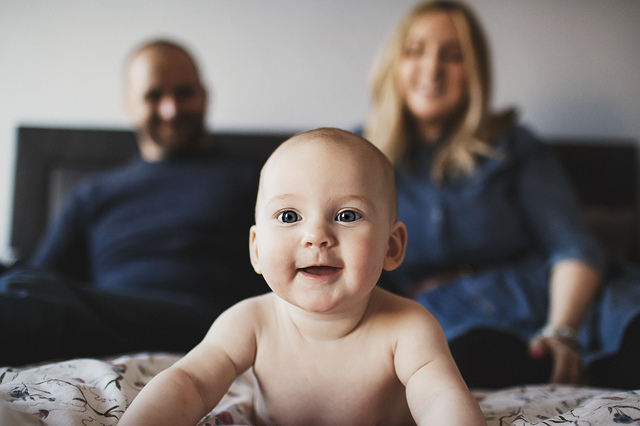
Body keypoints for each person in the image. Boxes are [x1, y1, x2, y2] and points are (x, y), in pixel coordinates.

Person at [118, 128, 486, 426]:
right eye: (290, 216)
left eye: (346, 215)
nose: (317, 236)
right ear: (257, 249)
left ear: (392, 247)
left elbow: (441, 399)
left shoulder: (408, 329)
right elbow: (191, 383)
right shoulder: (250, 323)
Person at [363, 0, 640, 389]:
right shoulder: (357, 157)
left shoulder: (513, 145)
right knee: (473, 363)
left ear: (473, 72)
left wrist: (563, 329)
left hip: (565, 300)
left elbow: (573, 246)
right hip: (457, 323)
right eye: (415, 51)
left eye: (454, 55)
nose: (431, 69)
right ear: (394, 63)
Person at [0, 39, 267, 366]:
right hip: (105, 313)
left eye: (184, 92)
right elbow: (38, 273)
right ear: (128, 105)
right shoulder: (94, 193)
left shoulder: (257, 176)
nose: (171, 109)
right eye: (154, 95)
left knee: (29, 299)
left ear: (204, 95)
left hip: (206, 320)